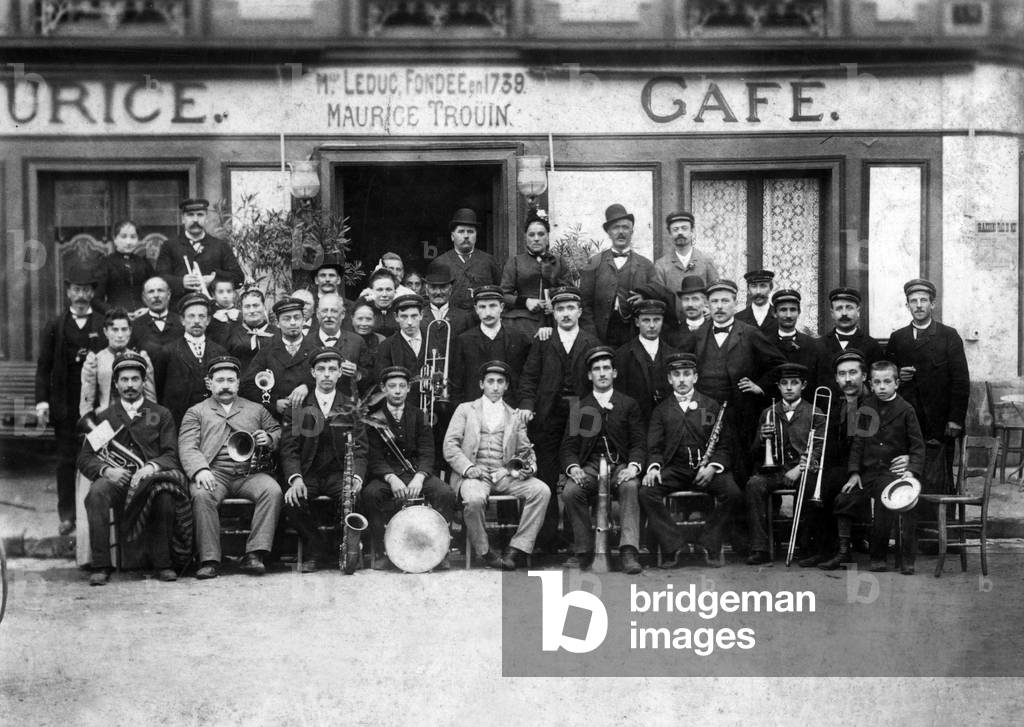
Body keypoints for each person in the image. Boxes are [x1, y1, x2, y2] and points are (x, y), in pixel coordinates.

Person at [78, 352, 182, 585]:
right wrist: (107, 471)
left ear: (144, 382)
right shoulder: (105, 418)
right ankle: (101, 565)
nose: (130, 385)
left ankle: (163, 564)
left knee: (165, 496)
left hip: (150, 481)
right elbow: (85, 458)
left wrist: (151, 467)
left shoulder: (160, 414)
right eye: (124, 380)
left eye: (135, 379)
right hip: (118, 482)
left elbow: (171, 454)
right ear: (115, 384)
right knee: (96, 493)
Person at [178, 356, 283, 579]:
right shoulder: (196, 412)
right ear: (209, 383)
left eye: (230, 380)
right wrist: (200, 470)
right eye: (220, 380)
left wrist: (269, 438)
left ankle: (254, 554)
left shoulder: (256, 409)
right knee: (201, 495)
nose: (225, 385)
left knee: (272, 491)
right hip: (214, 473)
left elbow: (277, 430)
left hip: (249, 473)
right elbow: (187, 446)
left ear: (238, 383)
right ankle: (209, 559)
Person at [820, 360, 925, 574]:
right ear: (871, 383)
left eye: (887, 382)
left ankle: (881, 557)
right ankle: (843, 552)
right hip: (868, 473)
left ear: (897, 383)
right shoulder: (867, 408)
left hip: (891, 474)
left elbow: (917, 446)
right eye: (877, 382)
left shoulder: (906, 410)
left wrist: (911, 470)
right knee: (845, 498)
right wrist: (854, 473)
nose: (882, 387)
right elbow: (858, 444)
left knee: (885, 501)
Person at [639, 352, 743, 568]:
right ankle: (675, 544)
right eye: (677, 375)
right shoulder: (661, 410)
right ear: (669, 379)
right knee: (647, 492)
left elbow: (724, 445)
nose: (682, 379)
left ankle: (708, 541)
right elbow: (654, 447)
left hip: (706, 470)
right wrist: (654, 467)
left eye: (687, 374)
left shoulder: (709, 406)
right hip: (675, 470)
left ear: (695, 377)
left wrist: (713, 467)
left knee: (733, 493)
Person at [517, 286, 601, 551]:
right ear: (553, 313)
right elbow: (529, 377)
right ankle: (548, 538)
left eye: (570, 308)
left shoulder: (591, 342)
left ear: (579, 312)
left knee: (579, 473)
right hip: (548, 416)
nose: (565, 314)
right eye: (560, 309)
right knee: (547, 475)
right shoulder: (543, 341)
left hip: (582, 414)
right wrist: (528, 405)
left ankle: (578, 538)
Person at [444, 361, 550, 570]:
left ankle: (516, 548)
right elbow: (450, 445)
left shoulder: (514, 416)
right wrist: (468, 468)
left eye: (500, 382)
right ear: (481, 384)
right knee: (473, 500)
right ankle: (485, 551)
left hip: (504, 476)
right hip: (474, 475)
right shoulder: (465, 410)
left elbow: (526, 451)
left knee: (542, 491)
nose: (495, 386)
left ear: (506, 386)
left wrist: (523, 468)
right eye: (490, 381)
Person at [682, 279, 786, 487]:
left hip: (741, 412)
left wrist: (759, 386)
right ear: (707, 305)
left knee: (741, 468)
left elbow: (779, 364)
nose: (719, 307)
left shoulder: (749, 333)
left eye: (725, 301)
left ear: (735, 303)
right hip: (706, 413)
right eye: (714, 302)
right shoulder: (698, 335)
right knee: (706, 463)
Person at [884, 278, 970, 514]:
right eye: (913, 301)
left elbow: (961, 381)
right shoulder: (898, 338)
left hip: (940, 422)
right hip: (907, 421)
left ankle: (941, 527)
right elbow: (885, 377)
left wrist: (955, 419)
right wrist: (898, 374)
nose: (919, 305)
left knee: (939, 475)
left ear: (933, 304)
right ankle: (909, 527)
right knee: (907, 472)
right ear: (907, 306)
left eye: (924, 300)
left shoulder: (948, 336)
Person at [280, 347, 369, 573]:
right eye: (321, 369)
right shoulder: (299, 406)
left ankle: (341, 548)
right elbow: (289, 447)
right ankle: (316, 546)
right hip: (308, 474)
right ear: (313, 373)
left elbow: (361, 448)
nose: (327, 374)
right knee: (291, 501)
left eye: (332, 369)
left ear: (340, 373)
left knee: (354, 498)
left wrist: (357, 477)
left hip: (340, 474)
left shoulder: (351, 405)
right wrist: (295, 479)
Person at [359, 366, 456, 570]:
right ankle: (383, 551)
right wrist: (391, 478)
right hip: (388, 475)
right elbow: (374, 456)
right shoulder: (373, 418)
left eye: (402, 386)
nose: (397, 391)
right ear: (383, 389)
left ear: (408, 389)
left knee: (445, 493)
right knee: (370, 495)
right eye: (392, 386)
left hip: (416, 473)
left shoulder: (419, 415)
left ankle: (440, 550)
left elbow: (427, 451)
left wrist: (419, 477)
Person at [560, 347, 646, 574]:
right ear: (590, 375)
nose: (602, 373)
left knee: (630, 486)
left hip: (620, 467)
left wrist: (633, 466)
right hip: (590, 467)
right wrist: (574, 468)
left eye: (606, 368)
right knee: (571, 492)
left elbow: (639, 443)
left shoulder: (628, 404)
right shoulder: (580, 407)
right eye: (596, 369)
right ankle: (584, 549)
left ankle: (628, 551)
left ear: (614, 373)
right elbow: (568, 447)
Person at [35, 275, 106, 534]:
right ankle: (67, 515)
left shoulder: (103, 324)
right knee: (66, 460)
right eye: (76, 290)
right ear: (68, 293)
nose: (80, 296)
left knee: (97, 457)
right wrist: (42, 401)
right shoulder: (55, 324)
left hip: (95, 406)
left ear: (92, 294)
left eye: (85, 290)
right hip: (64, 405)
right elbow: (44, 366)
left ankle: (95, 514)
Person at [744, 363, 824, 565]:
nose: (789, 387)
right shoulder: (768, 412)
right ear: (778, 386)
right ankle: (760, 548)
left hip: (802, 469)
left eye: (794, 383)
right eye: (784, 383)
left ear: (803, 385)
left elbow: (819, 448)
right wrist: (762, 439)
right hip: (775, 470)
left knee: (810, 486)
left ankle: (806, 546)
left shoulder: (815, 412)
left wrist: (800, 468)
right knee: (754, 485)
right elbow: (753, 452)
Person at [799, 349, 869, 568]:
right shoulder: (835, 405)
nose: (847, 379)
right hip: (839, 467)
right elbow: (829, 444)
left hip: (866, 468)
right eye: (842, 374)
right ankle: (820, 549)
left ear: (864, 376)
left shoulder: (874, 404)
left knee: (830, 484)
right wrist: (814, 461)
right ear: (836, 379)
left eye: (853, 373)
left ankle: (838, 550)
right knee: (812, 482)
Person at [580, 204, 656, 348]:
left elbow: (656, 297)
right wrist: (592, 336)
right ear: (608, 232)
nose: (621, 232)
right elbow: (584, 303)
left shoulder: (646, 265)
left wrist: (644, 299)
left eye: (625, 227)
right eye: (615, 228)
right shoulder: (594, 263)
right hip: (602, 333)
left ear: (632, 231)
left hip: (635, 333)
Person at [151, 293, 228, 425]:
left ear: (208, 320)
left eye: (201, 316)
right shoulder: (168, 352)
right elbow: (158, 389)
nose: (196, 321)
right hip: (178, 422)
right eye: (191, 316)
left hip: (212, 422)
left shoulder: (220, 352)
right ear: (182, 320)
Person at [449, 286, 532, 406]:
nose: (488, 312)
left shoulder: (519, 338)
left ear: (501, 307)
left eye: (493, 306)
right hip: (475, 410)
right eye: (482, 307)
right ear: (476, 309)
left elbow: (527, 378)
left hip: (510, 409)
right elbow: (457, 384)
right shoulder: (464, 341)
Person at [240, 297, 318, 420]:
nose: (293, 323)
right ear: (277, 323)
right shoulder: (266, 352)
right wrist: (273, 403)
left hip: (309, 418)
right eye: (286, 319)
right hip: (277, 420)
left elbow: (329, 381)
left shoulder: (316, 351)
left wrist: (307, 386)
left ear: (304, 320)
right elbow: (247, 386)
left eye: (297, 317)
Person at [155, 198, 243, 301]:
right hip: (179, 307)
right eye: (190, 215)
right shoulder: (169, 246)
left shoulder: (220, 245)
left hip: (212, 307)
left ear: (206, 218)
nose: (195, 220)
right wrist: (181, 282)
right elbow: (159, 278)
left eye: (200, 215)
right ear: (183, 219)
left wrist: (214, 279)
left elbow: (238, 277)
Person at [499, 208, 567, 337]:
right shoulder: (515, 262)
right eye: (531, 235)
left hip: (555, 321)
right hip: (524, 324)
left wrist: (554, 302)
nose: (536, 239)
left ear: (548, 237)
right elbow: (503, 295)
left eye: (541, 234)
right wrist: (525, 302)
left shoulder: (559, 261)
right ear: (525, 238)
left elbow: (569, 291)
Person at [613, 298, 679, 423]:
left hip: (668, 423)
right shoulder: (622, 355)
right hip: (637, 423)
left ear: (662, 321)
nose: (652, 325)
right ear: (637, 322)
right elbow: (620, 398)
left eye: (657, 320)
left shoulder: (673, 354)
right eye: (646, 320)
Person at [80, 309, 156, 415]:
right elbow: (86, 399)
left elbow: (150, 398)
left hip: (135, 417)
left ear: (130, 331)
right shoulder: (95, 360)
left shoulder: (140, 359)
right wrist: (89, 422)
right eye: (115, 330)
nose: (120, 335)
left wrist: (148, 421)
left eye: (124, 329)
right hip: (105, 417)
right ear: (106, 332)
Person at [428, 208, 501, 312]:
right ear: (452, 236)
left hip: (482, 318)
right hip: (451, 319)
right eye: (461, 231)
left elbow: (500, 292)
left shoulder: (489, 261)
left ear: (476, 235)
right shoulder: (439, 263)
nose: (466, 236)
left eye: (470, 232)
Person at [652, 211, 718, 323]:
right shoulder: (661, 265)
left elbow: (715, 291)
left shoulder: (706, 261)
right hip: (674, 325)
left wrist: (710, 309)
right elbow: (659, 298)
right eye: (675, 229)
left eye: (684, 228)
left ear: (692, 231)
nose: (680, 233)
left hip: (703, 323)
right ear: (670, 234)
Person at [817, 287, 884, 394]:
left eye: (849, 308)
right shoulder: (818, 345)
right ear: (832, 313)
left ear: (858, 311)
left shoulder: (872, 345)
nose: (844, 313)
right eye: (839, 308)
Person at [770, 289, 826, 400]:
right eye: (783, 310)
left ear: (799, 312)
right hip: (773, 406)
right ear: (774, 313)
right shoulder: (765, 344)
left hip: (806, 406)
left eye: (793, 310)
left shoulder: (813, 345)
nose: (788, 315)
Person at [371, 294, 429, 404]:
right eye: (404, 316)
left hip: (432, 404)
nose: (410, 322)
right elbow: (382, 382)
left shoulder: (434, 340)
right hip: (401, 406)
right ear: (396, 317)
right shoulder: (386, 346)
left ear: (421, 315)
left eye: (414, 316)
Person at [306, 292, 368, 391]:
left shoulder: (357, 342)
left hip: (347, 399)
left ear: (342, 314)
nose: (329, 315)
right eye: (324, 311)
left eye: (334, 311)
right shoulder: (306, 342)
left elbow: (370, 377)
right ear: (317, 314)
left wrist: (357, 374)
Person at [94, 219, 155, 316]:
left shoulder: (144, 263)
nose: (128, 242)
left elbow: (156, 292)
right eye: (123, 237)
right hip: (116, 318)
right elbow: (96, 300)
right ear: (115, 238)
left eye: (133, 237)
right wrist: (115, 313)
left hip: (143, 316)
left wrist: (148, 309)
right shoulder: (105, 263)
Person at [218, 288, 278, 371]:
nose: (252, 310)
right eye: (247, 307)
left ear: (264, 307)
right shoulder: (231, 334)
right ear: (241, 309)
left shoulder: (277, 333)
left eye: (256, 306)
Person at [129, 276, 183, 358]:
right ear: (144, 297)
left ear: (168, 295)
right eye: (151, 292)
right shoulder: (136, 326)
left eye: (160, 290)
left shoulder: (181, 322)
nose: (156, 295)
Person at [421, 270, 473, 337]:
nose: (438, 292)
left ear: (450, 290)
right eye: (433, 288)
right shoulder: (418, 316)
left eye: (443, 287)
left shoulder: (465, 317)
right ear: (426, 291)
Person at [664, 275, 709, 349]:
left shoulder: (713, 330)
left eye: (695, 299)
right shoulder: (672, 334)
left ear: (704, 302)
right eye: (686, 299)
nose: (690, 304)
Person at [363, 268, 400, 338]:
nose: (384, 294)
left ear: (395, 291)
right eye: (379, 290)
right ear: (371, 291)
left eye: (388, 289)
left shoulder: (401, 311)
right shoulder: (363, 311)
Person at [207, 276, 241, 344]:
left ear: (234, 294)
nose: (225, 296)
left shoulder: (239, 315)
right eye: (220, 292)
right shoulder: (210, 315)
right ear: (213, 295)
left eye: (229, 291)